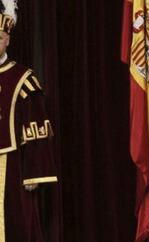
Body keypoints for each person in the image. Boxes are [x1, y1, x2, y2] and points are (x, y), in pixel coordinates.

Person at [0, 0, 57, 241]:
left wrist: (35, 172)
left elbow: (37, 129)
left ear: (8, 39)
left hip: (12, 166)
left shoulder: (23, 79)